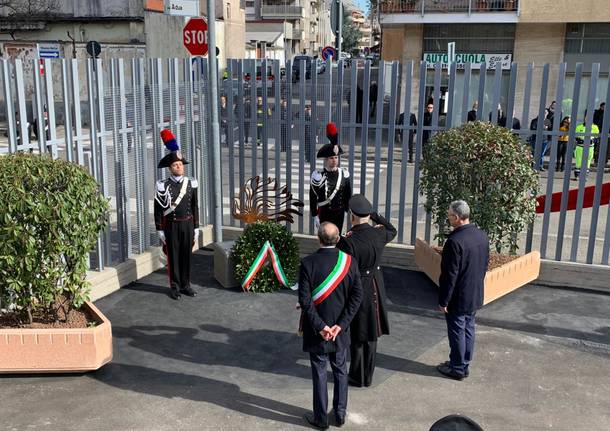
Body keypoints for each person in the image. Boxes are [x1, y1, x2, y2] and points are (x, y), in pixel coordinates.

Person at [299, 222, 363, 429]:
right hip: (339, 331)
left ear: (318, 238)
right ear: (338, 239)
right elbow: (357, 297)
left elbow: (305, 301)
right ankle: (340, 413)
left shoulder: (308, 263)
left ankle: (321, 418)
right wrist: (340, 326)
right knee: (340, 370)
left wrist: (320, 326)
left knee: (318, 371)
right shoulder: (349, 262)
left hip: (317, 330)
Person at [336, 194, 397, 387]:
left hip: (357, 286)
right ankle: (368, 376)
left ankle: (356, 376)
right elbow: (392, 229)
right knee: (371, 332)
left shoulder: (348, 240)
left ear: (352, 215)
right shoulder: (379, 234)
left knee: (357, 334)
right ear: (368, 214)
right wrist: (376, 217)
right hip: (376, 286)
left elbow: (342, 268)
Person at [436, 200, 489, 381]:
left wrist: (443, 301)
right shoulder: (481, 236)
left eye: (450, 215)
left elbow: (449, 276)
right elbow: (483, 265)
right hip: (474, 292)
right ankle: (464, 363)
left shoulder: (454, 242)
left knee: (457, 331)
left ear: (457, 218)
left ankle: (457, 367)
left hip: (458, 297)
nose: (448, 218)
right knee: (468, 328)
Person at [154, 129, 199, 300]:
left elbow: (195, 206)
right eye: (175, 165)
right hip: (171, 225)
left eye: (180, 164)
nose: (179, 167)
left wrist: (196, 227)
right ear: (170, 168)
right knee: (173, 257)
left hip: (187, 223)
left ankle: (186, 285)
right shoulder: (162, 186)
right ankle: (175, 286)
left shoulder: (191, 183)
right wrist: (160, 229)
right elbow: (158, 209)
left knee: (186, 255)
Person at [310, 123, 352, 233]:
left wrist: (347, 211)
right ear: (325, 160)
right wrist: (315, 215)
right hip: (324, 213)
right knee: (325, 239)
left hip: (339, 213)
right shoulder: (318, 176)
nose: (334, 160)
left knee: (337, 238)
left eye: (336, 157)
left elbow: (348, 195)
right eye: (331, 158)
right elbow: (313, 198)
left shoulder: (344, 174)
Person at [574, 111, 600, 180]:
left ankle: (585, 176)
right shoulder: (579, 127)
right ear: (585, 118)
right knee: (578, 161)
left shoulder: (595, 127)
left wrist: (593, 139)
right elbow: (575, 136)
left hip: (590, 147)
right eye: (586, 117)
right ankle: (577, 175)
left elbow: (597, 137)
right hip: (580, 147)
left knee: (588, 162)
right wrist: (578, 139)